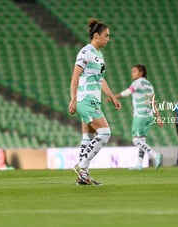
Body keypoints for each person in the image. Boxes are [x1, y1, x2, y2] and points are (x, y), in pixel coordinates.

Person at [68, 18, 121, 185]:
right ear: (97, 36)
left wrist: (112, 97)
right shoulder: (86, 52)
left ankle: (83, 177)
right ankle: (82, 166)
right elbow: (75, 75)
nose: (108, 39)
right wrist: (73, 99)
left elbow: (100, 80)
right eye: (106, 36)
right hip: (85, 99)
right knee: (105, 133)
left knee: (87, 136)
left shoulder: (99, 55)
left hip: (94, 99)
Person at [114, 64, 163, 170]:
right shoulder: (150, 85)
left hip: (140, 115)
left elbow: (128, 91)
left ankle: (155, 155)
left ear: (141, 73)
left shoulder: (138, 82)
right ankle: (139, 164)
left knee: (136, 141)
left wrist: (114, 97)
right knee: (142, 140)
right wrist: (158, 117)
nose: (132, 73)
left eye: (134, 71)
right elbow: (153, 102)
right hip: (149, 115)